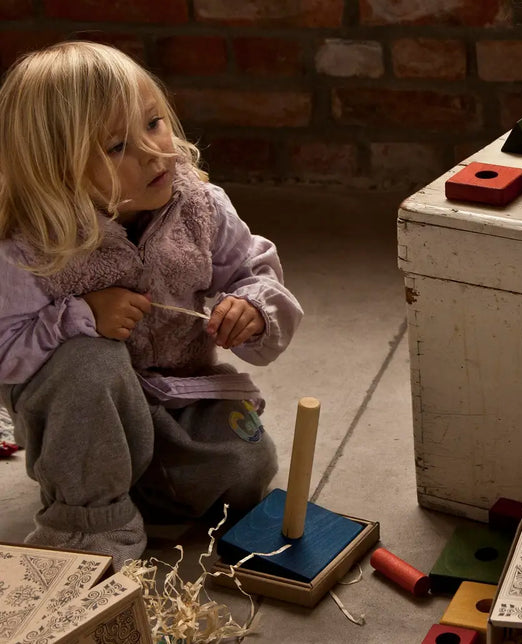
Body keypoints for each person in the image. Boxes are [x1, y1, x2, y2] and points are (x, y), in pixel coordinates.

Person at [0, 40, 303, 568]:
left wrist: (252, 307)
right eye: (117, 147)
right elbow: (5, 351)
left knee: (249, 466)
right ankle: (86, 517)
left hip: (176, 391)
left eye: (155, 123)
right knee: (93, 358)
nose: (155, 152)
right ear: (57, 169)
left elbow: (255, 270)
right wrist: (81, 316)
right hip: (79, 409)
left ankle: (125, 476)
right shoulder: (31, 246)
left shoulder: (199, 205)